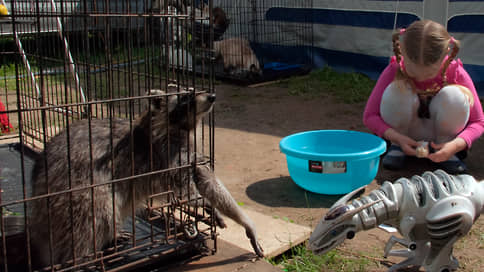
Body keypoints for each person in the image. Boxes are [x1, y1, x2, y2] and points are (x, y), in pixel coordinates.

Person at [363, 19, 484, 174]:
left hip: (442, 135)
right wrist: (397, 137)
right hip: (404, 133)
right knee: (397, 89)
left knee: (454, 95)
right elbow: (370, 115)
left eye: (429, 74)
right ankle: (398, 147)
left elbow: (479, 121)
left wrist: (457, 145)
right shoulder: (396, 68)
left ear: (446, 55)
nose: (421, 79)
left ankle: (445, 150)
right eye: (413, 72)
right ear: (402, 52)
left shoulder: (455, 71)